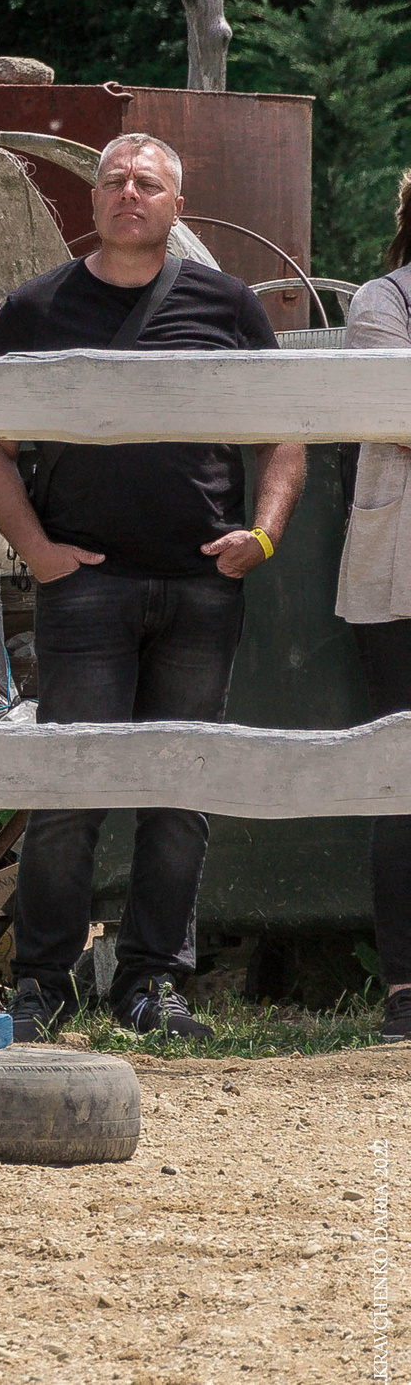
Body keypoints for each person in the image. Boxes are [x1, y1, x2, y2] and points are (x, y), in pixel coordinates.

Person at [0, 133, 305, 1044]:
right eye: (113, 180)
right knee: (68, 790)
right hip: (86, 589)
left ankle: (153, 984)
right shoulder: (37, 308)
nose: (128, 194)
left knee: (178, 790)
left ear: (174, 207)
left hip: (202, 588)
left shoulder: (226, 304)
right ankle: (41, 985)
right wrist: (36, 550)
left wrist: (264, 534)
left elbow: (285, 434)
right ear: (91, 201)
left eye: (147, 184)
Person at [334, 169, 411, 1044]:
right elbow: (396, 409)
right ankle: (407, 993)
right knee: (405, 780)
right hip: (400, 585)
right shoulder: (380, 302)